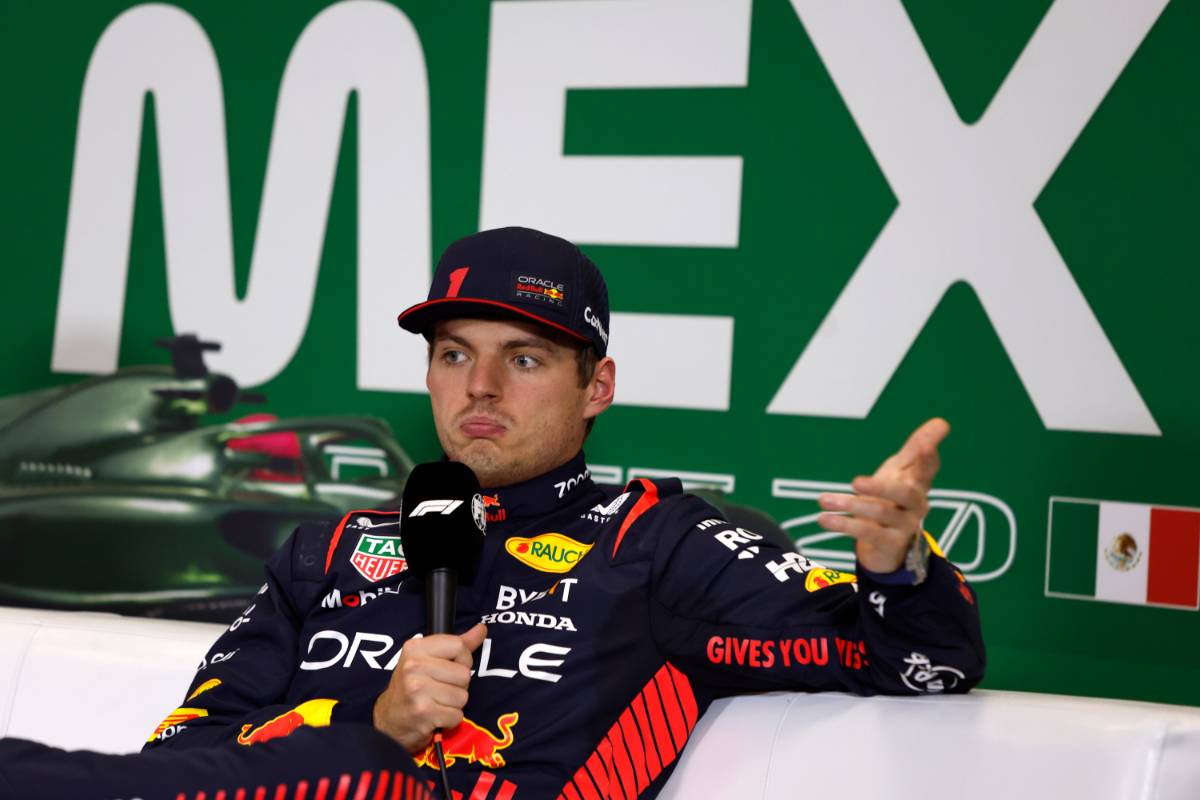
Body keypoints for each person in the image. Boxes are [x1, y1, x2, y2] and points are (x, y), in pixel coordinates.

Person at [3, 227, 984, 800]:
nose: (479, 385)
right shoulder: (328, 548)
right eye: (453, 352)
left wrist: (899, 565)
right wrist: (373, 718)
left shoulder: (659, 541)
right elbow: (181, 757)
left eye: (523, 357)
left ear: (595, 385)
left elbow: (915, 662)